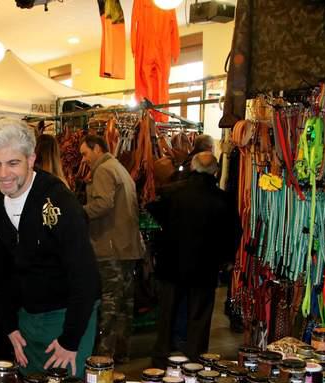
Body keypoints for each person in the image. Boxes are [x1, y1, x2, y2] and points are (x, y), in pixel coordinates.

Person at [0, 118, 100, 378]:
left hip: (69, 317)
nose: (3, 174)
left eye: (13, 163)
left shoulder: (60, 201)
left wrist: (71, 340)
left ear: (31, 159)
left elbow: (85, 275)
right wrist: (9, 327)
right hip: (28, 319)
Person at [146, 152, 240, 366]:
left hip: (171, 264)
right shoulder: (222, 199)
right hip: (204, 267)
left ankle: (161, 359)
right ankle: (195, 360)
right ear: (215, 171)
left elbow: (152, 208)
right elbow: (234, 232)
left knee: (168, 314)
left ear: (192, 168)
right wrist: (226, 259)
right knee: (199, 316)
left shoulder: (171, 194)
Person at [80, 134, 143, 364]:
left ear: (97, 148)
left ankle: (103, 355)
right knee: (125, 302)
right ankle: (121, 351)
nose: (84, 159)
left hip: (110, 246)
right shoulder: (119, 168)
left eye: (85, 153)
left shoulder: (104, 170)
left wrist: (78, 212)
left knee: (110, 301)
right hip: (127, 246)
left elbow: (103, 204)